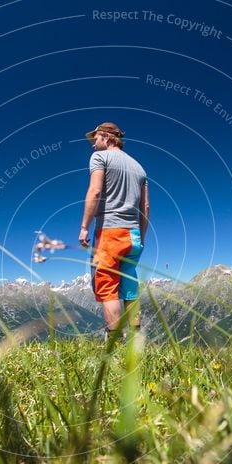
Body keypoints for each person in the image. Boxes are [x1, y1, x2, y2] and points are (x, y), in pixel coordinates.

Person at [78, 122, 150, 338]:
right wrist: (141, 237)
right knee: (129, 284)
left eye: (96, 139)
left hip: (110, 232)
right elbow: (145, 207)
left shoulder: (100, 158)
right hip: (134, 235)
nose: (93, 145)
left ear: (106, 137)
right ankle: (135, 342)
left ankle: (115, 344)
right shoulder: (140, 168)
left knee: (106, 285)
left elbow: (95, 190)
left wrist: (84, 227)